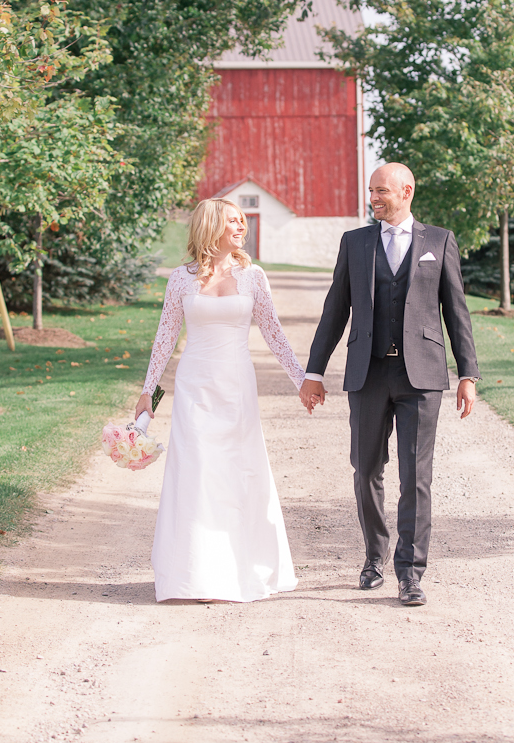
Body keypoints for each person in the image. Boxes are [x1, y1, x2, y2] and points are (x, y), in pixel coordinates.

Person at [299, 163, 480, 607]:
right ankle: (374, 557)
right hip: (368, 372)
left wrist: (468, 374)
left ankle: (411, 572)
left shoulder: (438, 241)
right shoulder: (355, 243)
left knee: (416, 476)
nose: (374, 198)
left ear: (406, 191)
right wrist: (314, 371)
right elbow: (334, 310)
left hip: (421, 377)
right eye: (371, 191)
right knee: (365, 470)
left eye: (381, 191)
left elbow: (457, 312)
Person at [137, 198, 305, 603]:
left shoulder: (253, 276)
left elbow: (273, 333)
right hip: (194, 387)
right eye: (234, 220)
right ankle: (195, 575)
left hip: (236, 388)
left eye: (243, 221)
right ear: (212, 226)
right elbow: (165, 338)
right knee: (196, 474)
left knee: (237, 473)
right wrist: (148, 393)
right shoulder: (180, 279)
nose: (241, 227)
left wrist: (302, 379)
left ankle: (236, 571)